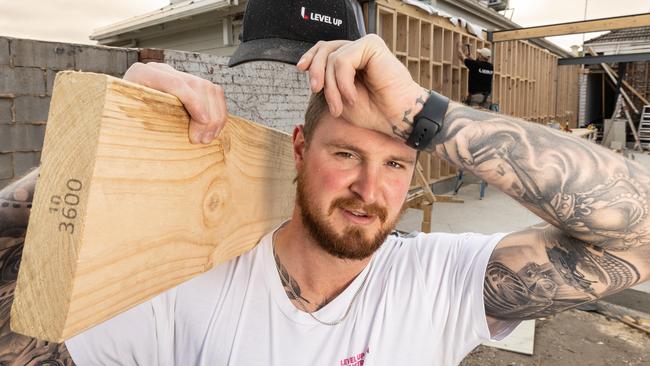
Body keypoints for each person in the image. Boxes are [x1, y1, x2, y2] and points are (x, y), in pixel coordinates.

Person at [1, 35, 649, 365]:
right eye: (345, 155)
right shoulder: (192, 286)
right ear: (300, 149)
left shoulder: (435, 282)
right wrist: (99, 154)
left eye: (396, 162)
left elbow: (640, 239)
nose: (371, 190)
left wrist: (428, 114)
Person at [457, 42, 494, 109]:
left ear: (481, 56)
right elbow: (479, 66)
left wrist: (459, 48)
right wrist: (472, 58)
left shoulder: (475, 65)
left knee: (474, 117)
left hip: (476, 97)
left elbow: (462, 56)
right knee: (483, 117)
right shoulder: (491, 67)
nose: (478, 55)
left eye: (479, 54)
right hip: (487, 98)